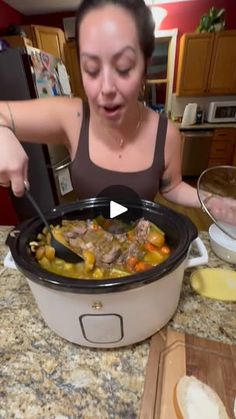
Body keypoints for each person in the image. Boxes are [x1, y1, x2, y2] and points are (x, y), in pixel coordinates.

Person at [0, 0, 234, 225]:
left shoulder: (167, 134)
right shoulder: (71, 116)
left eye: (123, 68)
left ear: (145, 67)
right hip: (86, 250)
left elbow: (172, 187)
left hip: (141, 252)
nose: (107, 88)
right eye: (91, 69)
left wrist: (209, 200)